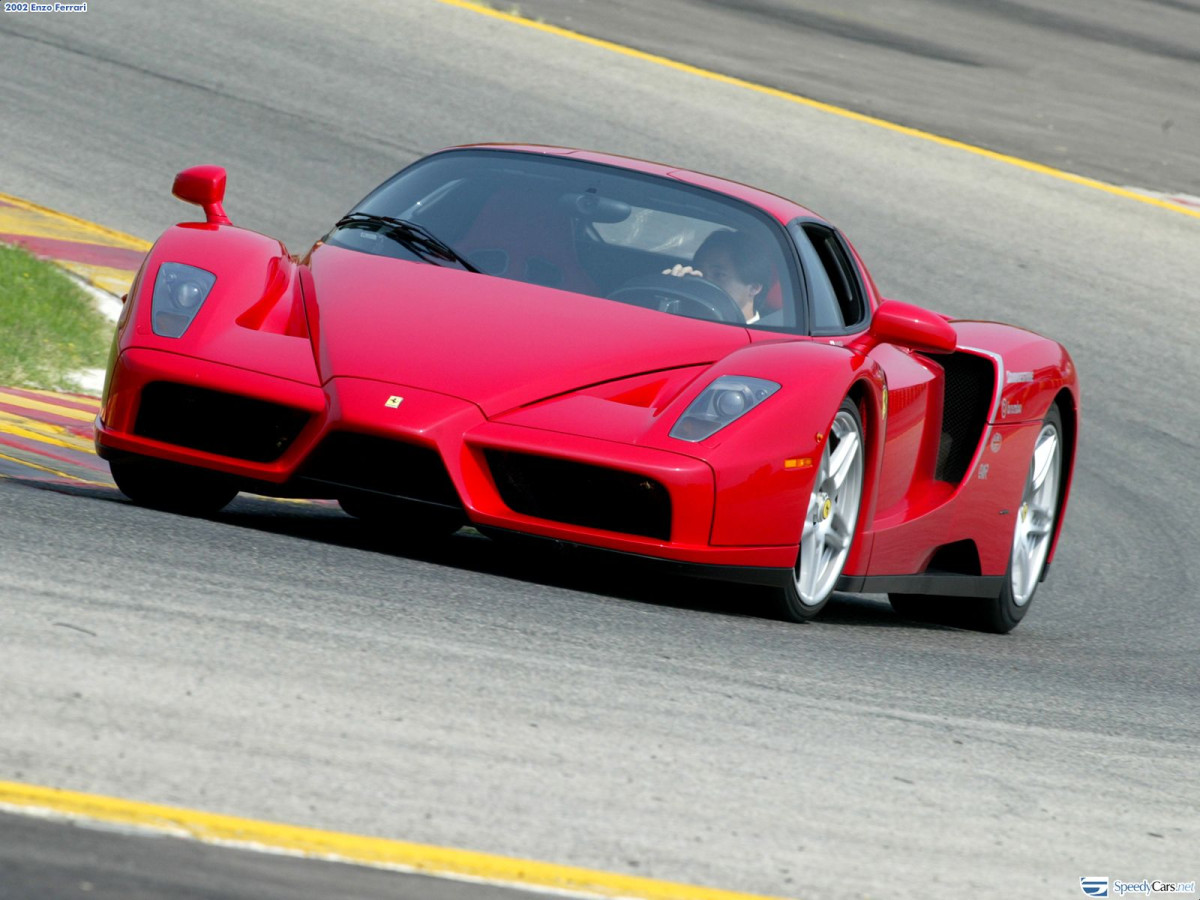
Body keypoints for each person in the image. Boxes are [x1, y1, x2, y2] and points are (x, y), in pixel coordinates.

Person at [662, 229, 771, 323]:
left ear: (754, 288)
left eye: (718, 275)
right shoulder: (682, 315)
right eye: (700, 273)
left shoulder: (766, 342)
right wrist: (670, 289)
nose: (704, 282)